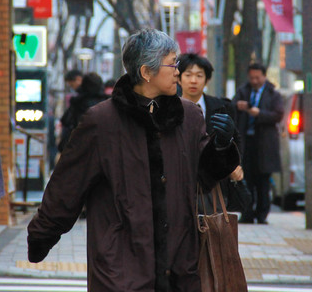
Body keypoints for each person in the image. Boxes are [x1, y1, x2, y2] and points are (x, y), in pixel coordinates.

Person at [27, 29, 239, 291]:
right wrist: (41, 236)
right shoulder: (102, 122)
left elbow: (206, 175)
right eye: (172, 64)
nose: (178, 71)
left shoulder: (189, 116)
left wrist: (221, 146)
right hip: (121, 267)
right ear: (146, 72)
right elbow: (67, 186)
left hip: (179, 265)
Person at [177, 53, 249, 213]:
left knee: (213, 224)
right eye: (188, 75)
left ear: (207, 80)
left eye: (199, 75)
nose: (193, 80)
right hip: (181, 184)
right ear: (179, 79)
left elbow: (235, 138)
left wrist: (236, 165)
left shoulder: (222, 107)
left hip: (215, 187)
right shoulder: (170, 108)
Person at [232, 62, 283, 224]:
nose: (254, 81)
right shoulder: (243, 91)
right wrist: (238, 106)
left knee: (263, 181)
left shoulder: (273, 94)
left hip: (265, 144)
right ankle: (247, 213)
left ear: (264, 77)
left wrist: (259, 113)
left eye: (257, 78)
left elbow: (278, 114)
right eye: (252, 78)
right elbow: (231, 106)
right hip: (246, 142)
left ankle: (262, 214)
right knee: (246, 179)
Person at [57, 72, 109, 153]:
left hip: (81, 148)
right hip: (103, 148)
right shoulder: (108, 103)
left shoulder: (78, 103)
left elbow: (66, 121)